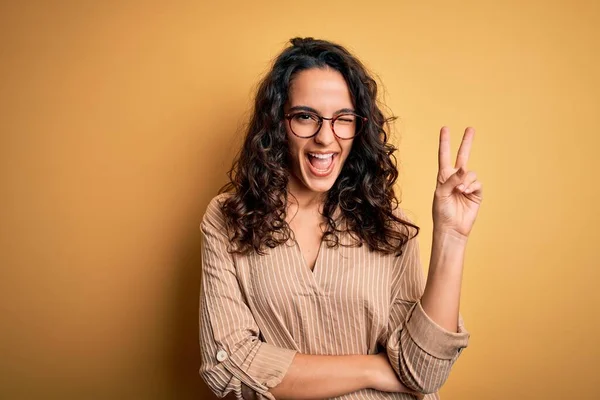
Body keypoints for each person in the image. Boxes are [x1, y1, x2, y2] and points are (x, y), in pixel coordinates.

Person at [198, 37, 483, 400]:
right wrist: (376, 368)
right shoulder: (226, 219)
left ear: (358, 128)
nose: (325, 137)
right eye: (305, 117)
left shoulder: (392, 227)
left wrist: (452, 235)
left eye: (342, 119)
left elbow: (424, 371)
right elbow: (226, 368)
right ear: (276, 124)